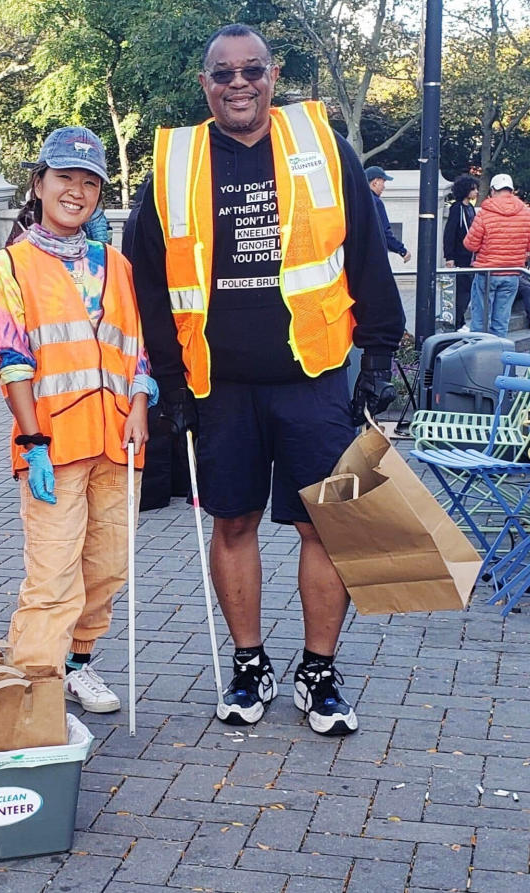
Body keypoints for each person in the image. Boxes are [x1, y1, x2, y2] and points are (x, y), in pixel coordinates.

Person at [130, 24, 405, 735]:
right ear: (205, 85)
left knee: (333, 525)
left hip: (315, 378)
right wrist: (168, 384)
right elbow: (147, 284)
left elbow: (368, 249)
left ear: (273, 75)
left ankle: (318, 670)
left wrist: (379, 356)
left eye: (252, 69)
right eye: (223, 74)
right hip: (218, 386)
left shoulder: (320, 145)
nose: (239, 83)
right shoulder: (173, 162)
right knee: (234, 521)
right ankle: (249, 663)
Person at [0, 126, 156, 712]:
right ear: (39, 184)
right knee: (53, 574)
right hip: (51, 445)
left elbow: (136, 348)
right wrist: (30, 438)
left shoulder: (116, 263)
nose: (76, 192)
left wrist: (140, 410)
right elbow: (10, 359)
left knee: (108, 566)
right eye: (65, 179)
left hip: (118, 442)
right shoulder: (9, 266)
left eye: (89, 183)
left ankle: (78, 663)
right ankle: (34, 682)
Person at [463, 173, 530, 338]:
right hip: (513, 272)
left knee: (480, 322)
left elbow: (470, 244)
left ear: (493, 190)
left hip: (487, 272)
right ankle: (497, 358)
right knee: (501, 323)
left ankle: (478, 356)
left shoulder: (485, 213)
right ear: (512, 191)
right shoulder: (526, 213)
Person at [442, 174, 479, 330]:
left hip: (469, 255)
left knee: (466, 290)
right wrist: (449, 256)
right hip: (459, 255)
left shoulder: (470, 208)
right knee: (461, 291)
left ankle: (460, 320)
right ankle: (458, 322)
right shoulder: (457, 208)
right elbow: (449, 233)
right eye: (473, 189)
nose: (476, 192)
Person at [366, 166, 410, 264]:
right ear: (375, 182)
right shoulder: (376, 203)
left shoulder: (355, 201)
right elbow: (384, 232)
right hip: (374, 256)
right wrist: (402, 250)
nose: (384, 187)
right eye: (383, 182)